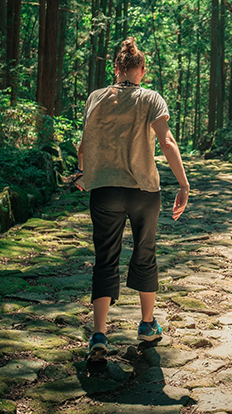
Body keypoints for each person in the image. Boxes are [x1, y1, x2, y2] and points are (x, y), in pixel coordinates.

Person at [77, 37, 189, 362]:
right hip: (143, 191)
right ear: (142, 70)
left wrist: (84, 173)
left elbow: (85, 144)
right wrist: (183, 184)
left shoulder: (96, 98)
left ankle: (99, 334)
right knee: (145, 254)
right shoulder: (151, 98)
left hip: (105, 191)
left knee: (104, 259)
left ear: (116, 69)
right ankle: (146, 324)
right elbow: (166, 141)